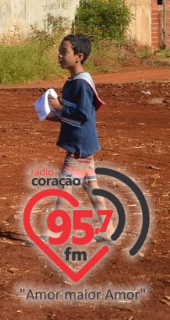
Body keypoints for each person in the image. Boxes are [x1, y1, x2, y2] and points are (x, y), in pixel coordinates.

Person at [46, 34, 115, 241]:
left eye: (64, 51)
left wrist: (60, 108)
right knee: (90, 185)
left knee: (65, 184)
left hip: (79, 145)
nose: (59, 55)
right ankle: (108, 230)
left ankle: (56, 229)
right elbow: (76, 114)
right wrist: (56, 115)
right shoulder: (73, 82)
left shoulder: (81, 84)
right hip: (83, 143)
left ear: (79, 56)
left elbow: (84, 114)